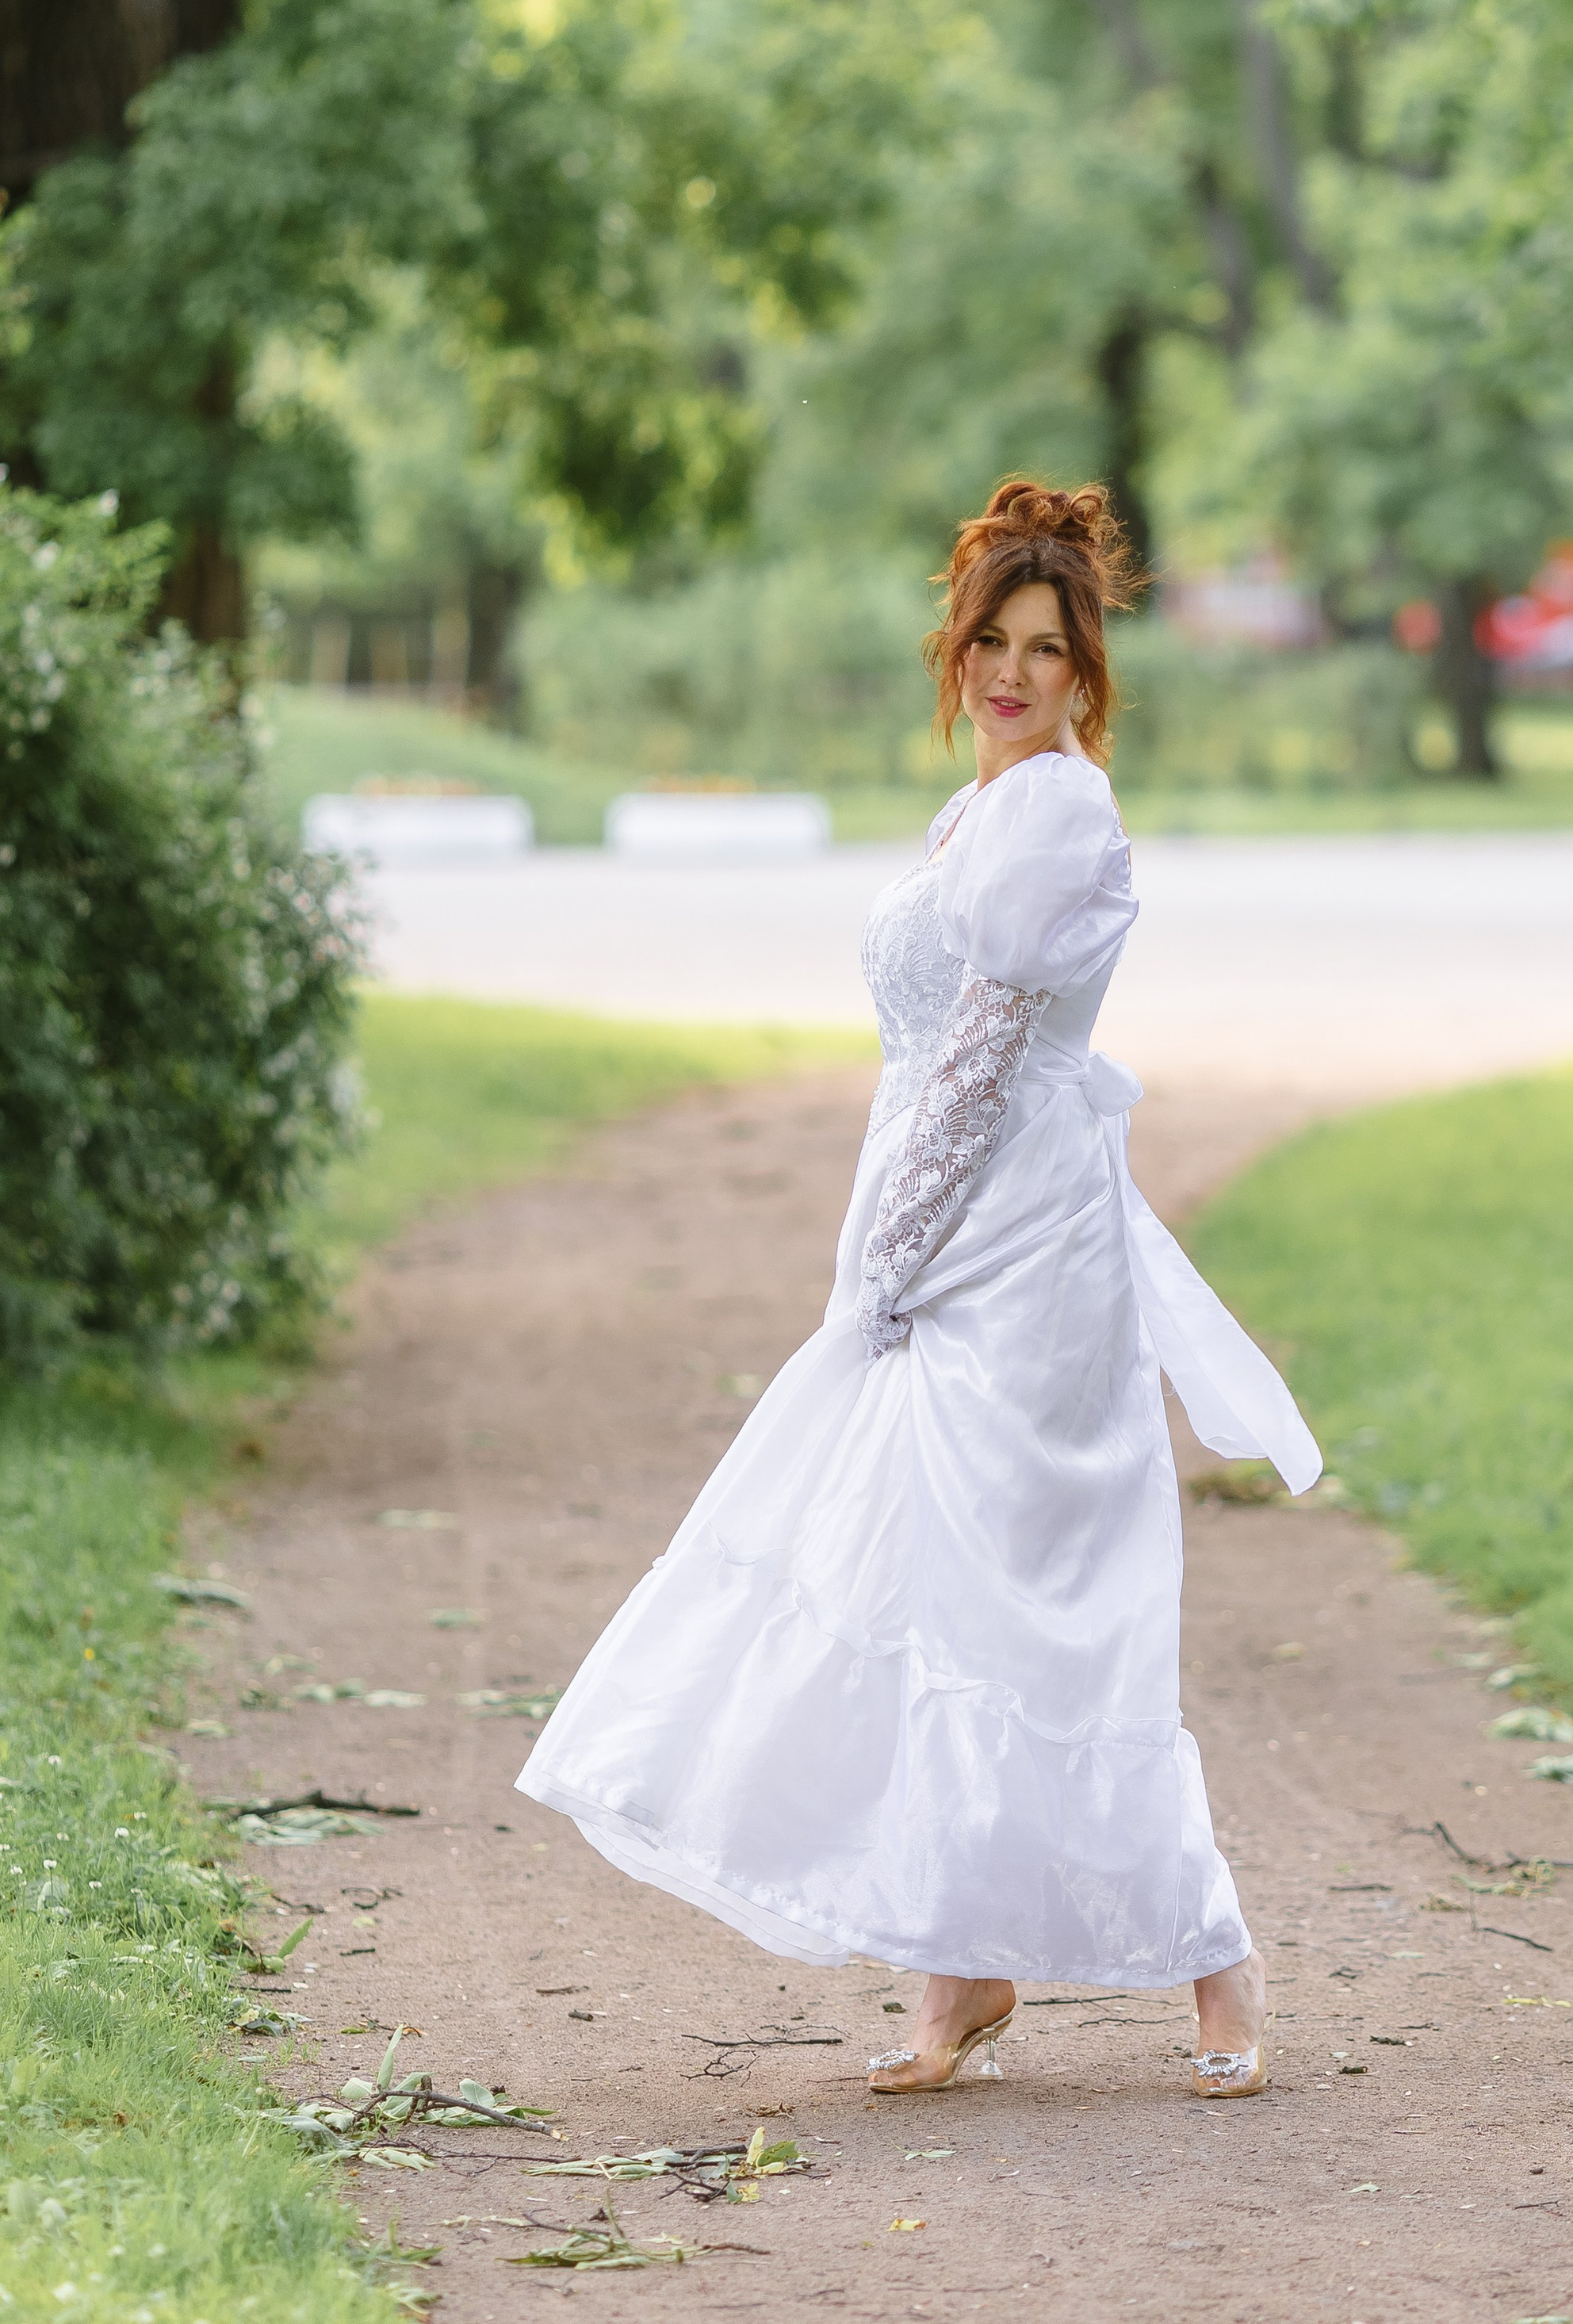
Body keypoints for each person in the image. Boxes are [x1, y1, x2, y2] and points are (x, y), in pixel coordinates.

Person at [518, 479, 1322, 2101]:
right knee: (916, 1583)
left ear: (1085, 672)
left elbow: (972, 1064)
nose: (1011, 672)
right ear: (954, 652)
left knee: (1042, 1604)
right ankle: (959, 1968)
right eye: (990, 642)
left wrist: (892, 1256)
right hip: (934, 1223)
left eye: (1045, 648)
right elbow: (928, 1061)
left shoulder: (1056, 813)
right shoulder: (977, 811)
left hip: (1012, 1249)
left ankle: (1211, 1961)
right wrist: (881, 1246)